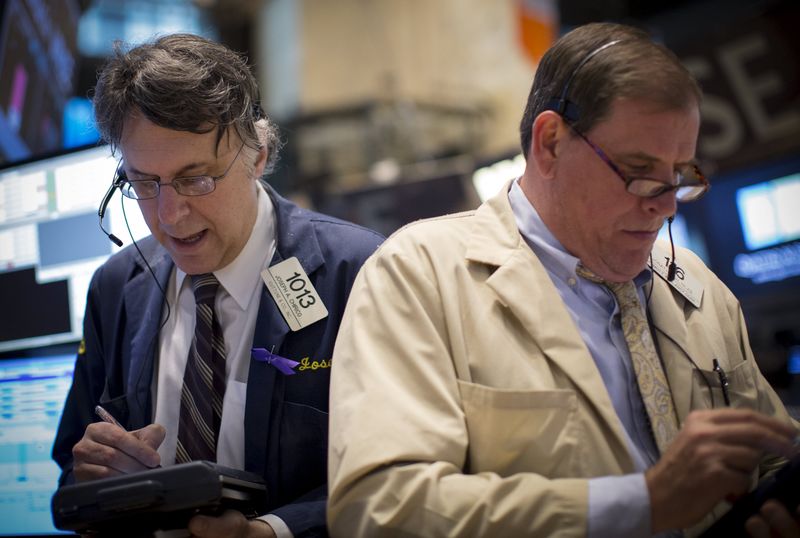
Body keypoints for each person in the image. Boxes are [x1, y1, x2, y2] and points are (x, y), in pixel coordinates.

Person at [327, 22, 799, 537]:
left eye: (679, 175)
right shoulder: (419, 275)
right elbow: (379, 510)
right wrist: (638, 504)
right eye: (638, 170)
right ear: (550, 142)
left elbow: (773, 457)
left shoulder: (697, 284)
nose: (664, 206)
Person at [52, 34, 382, 538]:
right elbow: (69, 472)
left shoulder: (360, 273)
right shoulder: (116, 288)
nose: (169, 215)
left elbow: (396, 470)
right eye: (143, 183)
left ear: (258, 154)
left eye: (196, 178)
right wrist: (90, 474)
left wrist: (272, 531)